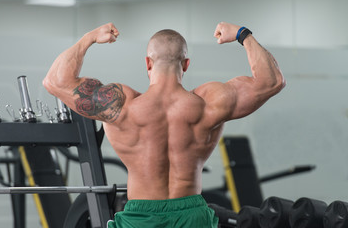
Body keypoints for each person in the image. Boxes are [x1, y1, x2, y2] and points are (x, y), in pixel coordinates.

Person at [43, 21, 285, 228]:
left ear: (148, 63)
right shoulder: (210, 103)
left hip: (140, 217)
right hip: (192, 216)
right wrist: (243, 33)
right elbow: (271, 82)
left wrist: (90, 38)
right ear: (186, 64)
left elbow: (55, 81)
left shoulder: (121, 105)